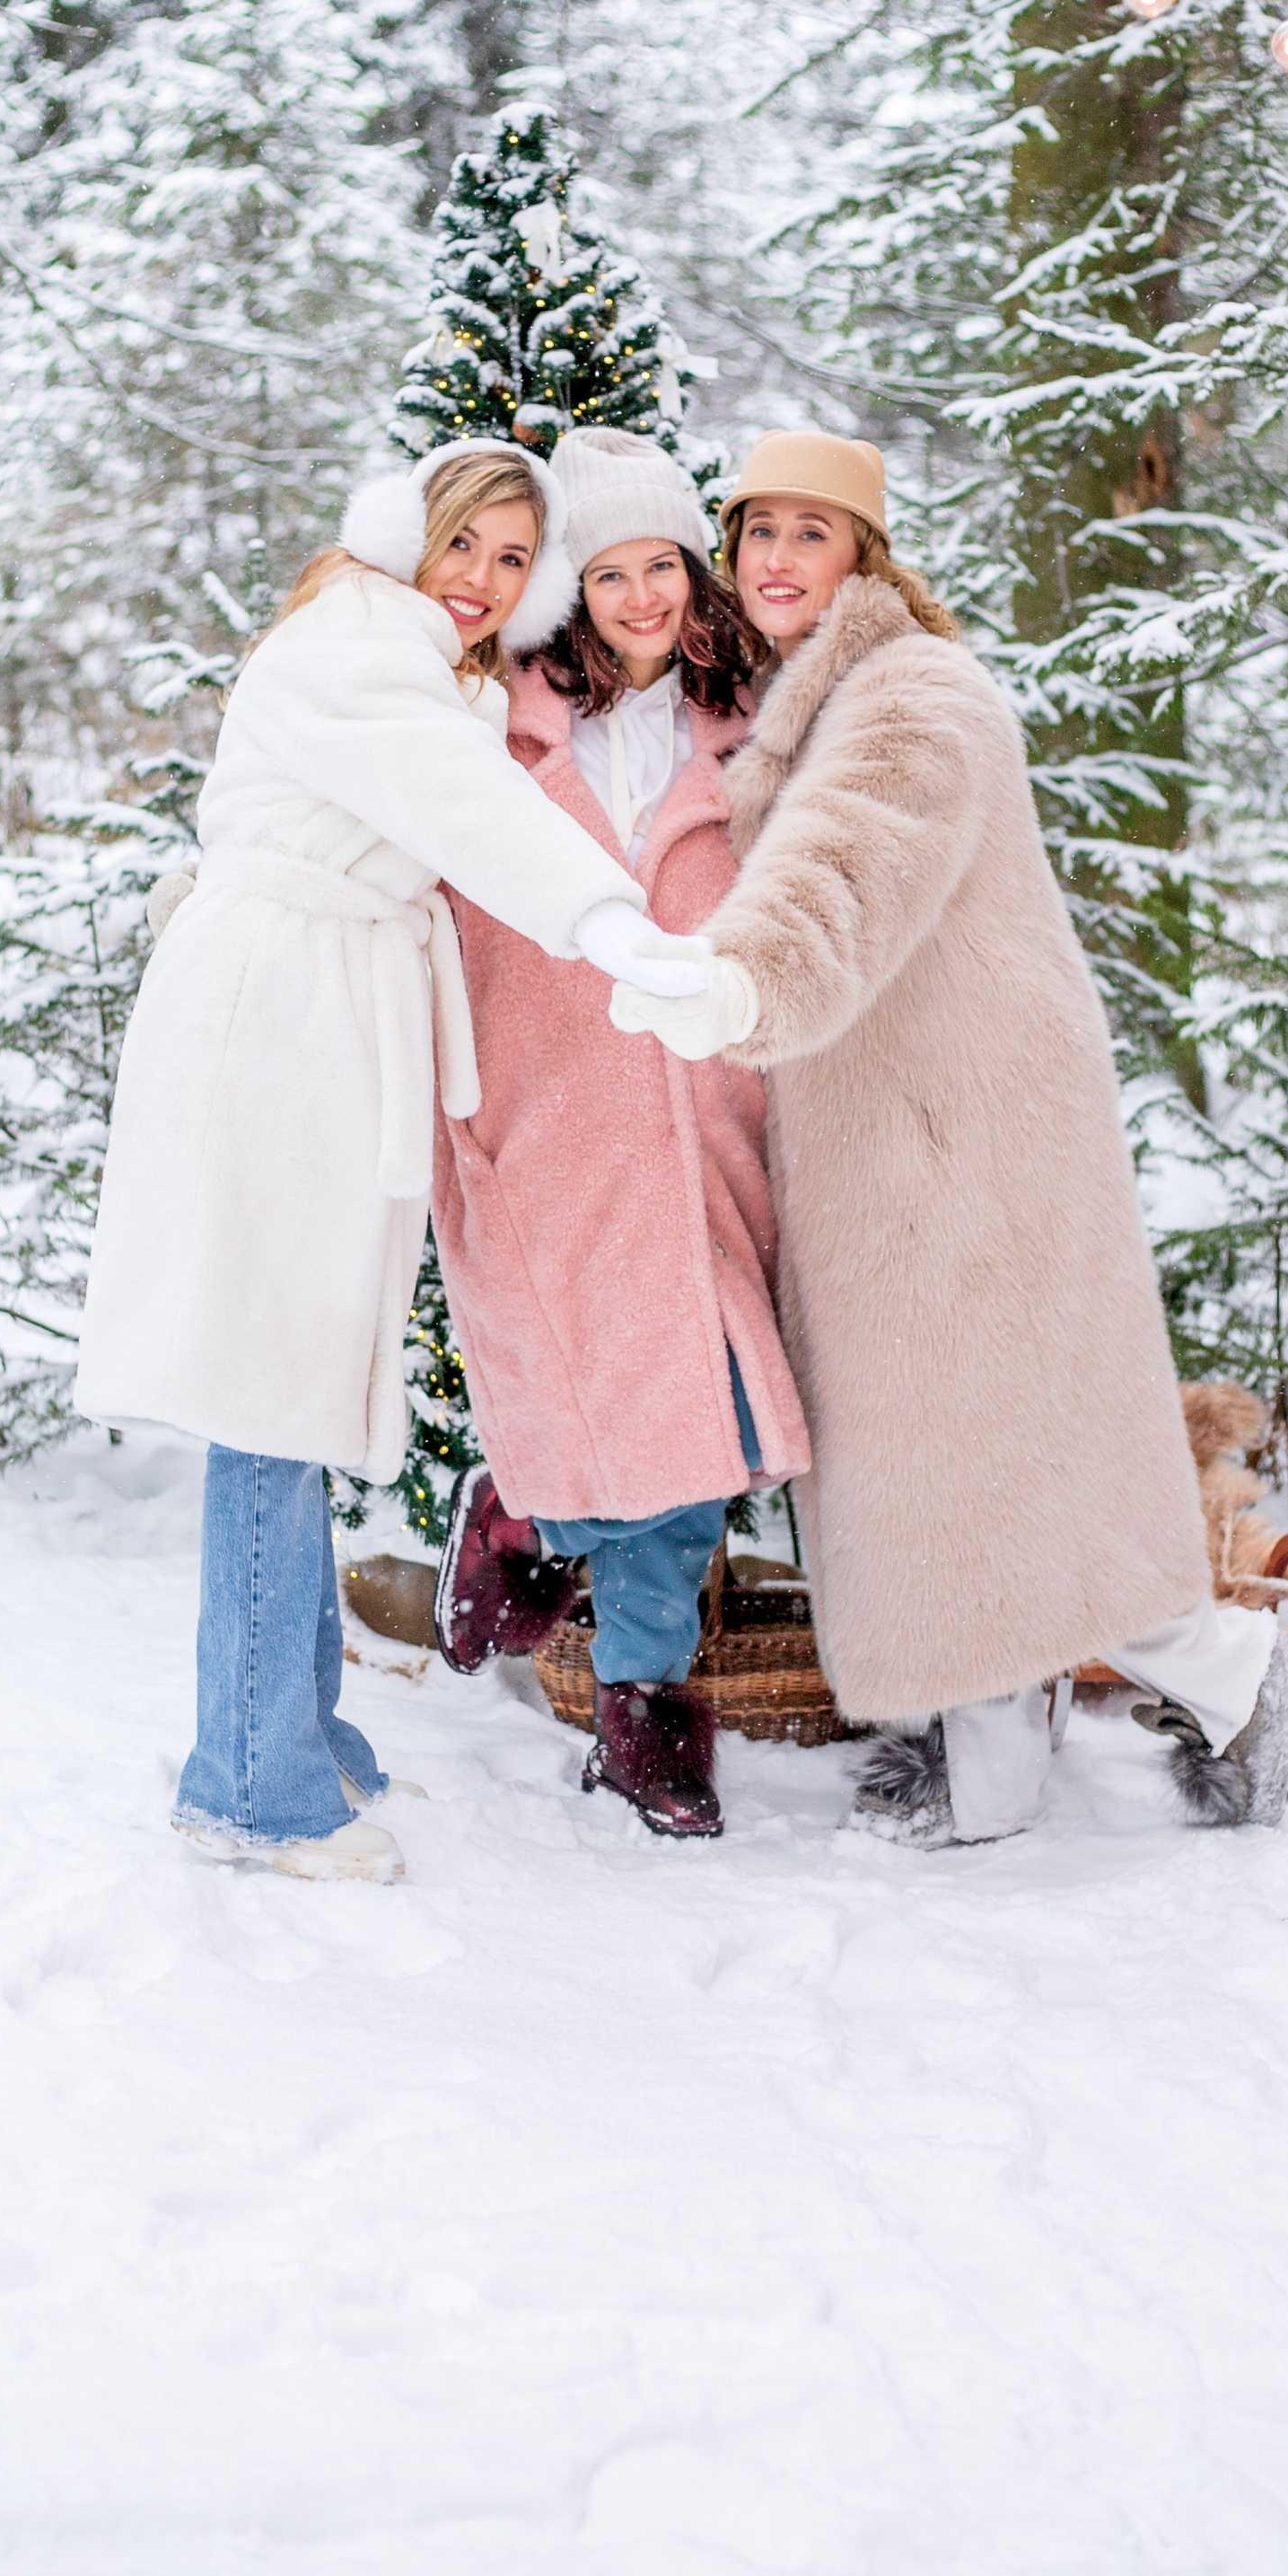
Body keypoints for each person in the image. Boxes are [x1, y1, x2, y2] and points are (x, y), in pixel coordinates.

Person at [607, 431, 1288, 1845]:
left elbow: (847, 864)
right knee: (966, 1460)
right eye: (760, 533)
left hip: (964, 1147)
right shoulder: (829, 694)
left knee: (974, 1452)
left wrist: (741, 978)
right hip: (905, 1141)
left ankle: (1201, 1681)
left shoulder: (915, 694)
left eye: (814, 532)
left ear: (867, 553)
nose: (778, 559)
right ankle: (1022, 1735)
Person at [75, 440, 717, 1884]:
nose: (483, 581)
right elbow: (472, 813)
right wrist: (616, 927)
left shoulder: (420, 661)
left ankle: (294, 1730)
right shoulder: (360, 644)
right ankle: (253, 1784)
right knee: (269, 1399)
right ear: (403, 536)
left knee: (291, 1391)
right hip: (279, 1027)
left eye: (512, 559)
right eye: (465, 545)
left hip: (318, 1018)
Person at [425, 426, 812, 1840]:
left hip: (706, 1121)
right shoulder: (495, 730)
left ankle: (638, 1706)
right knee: (599, 1405)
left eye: (665, 566)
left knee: (700, 1433)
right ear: (569, 592)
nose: (643, 597)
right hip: (547, 1121)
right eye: (610, 572)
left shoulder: (752, 725)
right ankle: (531, 1513)